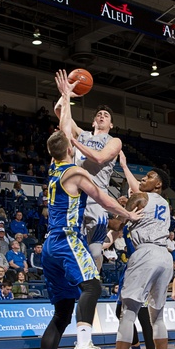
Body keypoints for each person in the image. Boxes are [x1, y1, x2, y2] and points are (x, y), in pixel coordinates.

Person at [25, 123, 141, 349]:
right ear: (69, 150)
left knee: (63, 312)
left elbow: (62, 135)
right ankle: (84, 344)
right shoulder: (76, 172)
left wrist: (66, 98)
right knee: (93, 286)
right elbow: (103, 200)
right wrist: (129, 215)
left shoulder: (53, 169)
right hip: (67, 239)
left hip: (49, 246)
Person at [98, 165, 175, 349]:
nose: (143, 178)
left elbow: (116, 225)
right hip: (165, 256)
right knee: (158, 317)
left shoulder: (141, 197)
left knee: (127, 314)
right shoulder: (166, 205)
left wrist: (99, 211)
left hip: (145, 254)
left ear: (158, 184)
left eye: (149, 176)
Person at [55, 69, 123, 270]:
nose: (102, 116)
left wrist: (73, 141)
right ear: (93, 121)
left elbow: (99, 157)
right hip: (75, 196)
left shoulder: (114, 141)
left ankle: (95, 280)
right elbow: (60, 112)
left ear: (111, 124)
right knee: (72, 247)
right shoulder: (83, 134)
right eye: (99, 115)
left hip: (96, 198)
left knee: (94, 251)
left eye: (106, 115)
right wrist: (66, 94)